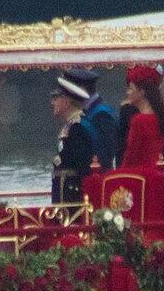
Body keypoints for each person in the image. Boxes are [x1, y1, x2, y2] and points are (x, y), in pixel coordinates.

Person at [61, 68, 120, 172]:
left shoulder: (102, 114)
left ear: (81, 89)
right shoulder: (85, 111)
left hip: (97, 177)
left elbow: (107, 153)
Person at [118, 64, 164, 171]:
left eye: (130, 88)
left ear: (142, 91)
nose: (127, 92)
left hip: (141, 176)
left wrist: (120, 176)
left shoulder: (139, 120)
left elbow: (131, 157)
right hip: (159, 173)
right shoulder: (162, 116)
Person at [49, 76, 96, 204]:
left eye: (56, 98)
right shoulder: (70, 126)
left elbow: (83, 167)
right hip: (64, 193)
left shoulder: (77, 127)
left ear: (67, 101)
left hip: (71, 196)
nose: (52, 103)